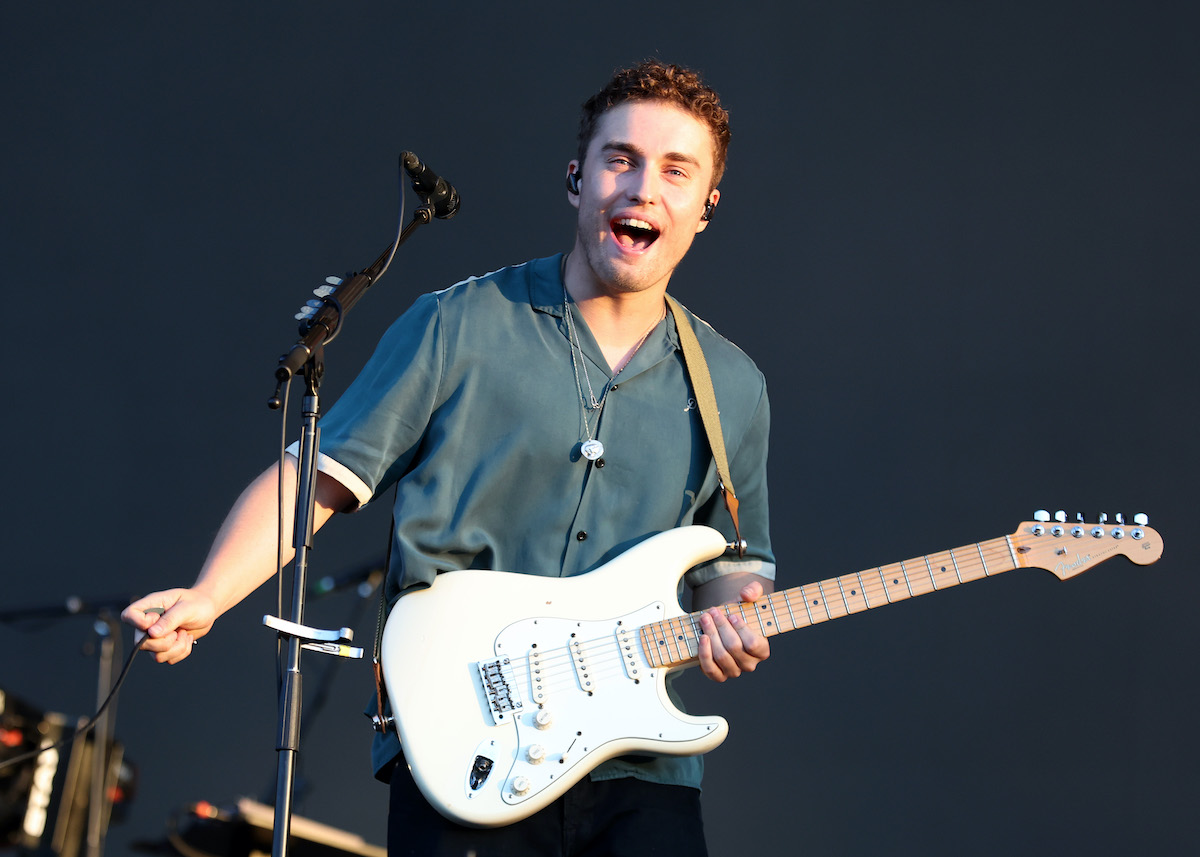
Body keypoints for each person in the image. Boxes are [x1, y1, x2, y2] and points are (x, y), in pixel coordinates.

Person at [123, 59, 775, 856]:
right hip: (466, 743)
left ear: (706, 209)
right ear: (577, 181)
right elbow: (318, 477)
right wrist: (210, 594)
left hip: (639, 768)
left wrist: (739, 615)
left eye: (677, 171)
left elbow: (735, 561)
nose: (644, 188)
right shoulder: (459, 324)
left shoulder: (731, 385)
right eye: (621, 158)